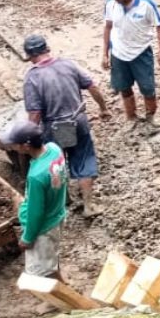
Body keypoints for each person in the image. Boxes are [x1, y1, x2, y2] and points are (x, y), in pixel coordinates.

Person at [22, 35, 109, 217]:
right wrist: (103, 108)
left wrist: (29, 136)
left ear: (30, 56)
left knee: (55, 162)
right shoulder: (68, 64)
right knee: (83, 159)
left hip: (55, 127)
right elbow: (92, 86)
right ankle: (89, 205)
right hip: (78, 120)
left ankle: (64, 201)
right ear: (47, 49)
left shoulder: (33, 77)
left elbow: (35, 113)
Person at [1, 122, 68, 280]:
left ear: (26, 146)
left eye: (15, 144)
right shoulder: (54, 149)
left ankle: (59, 300)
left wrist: (27, 238)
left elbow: (36, 212)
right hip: (57, 214)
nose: (13, 147)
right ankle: (62, 284)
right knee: (50, 258)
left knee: (40, 272)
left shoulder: (36, 176)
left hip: (43, 229)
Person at [102, 0, 160, 125]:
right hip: (118, 53)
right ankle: (131, 117)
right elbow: (108, 27)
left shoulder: (146, 4)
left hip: (141, 53)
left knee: (147, 88)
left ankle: (151, 116)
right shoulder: (110, 4)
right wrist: (104, 54)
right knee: (124, 87)